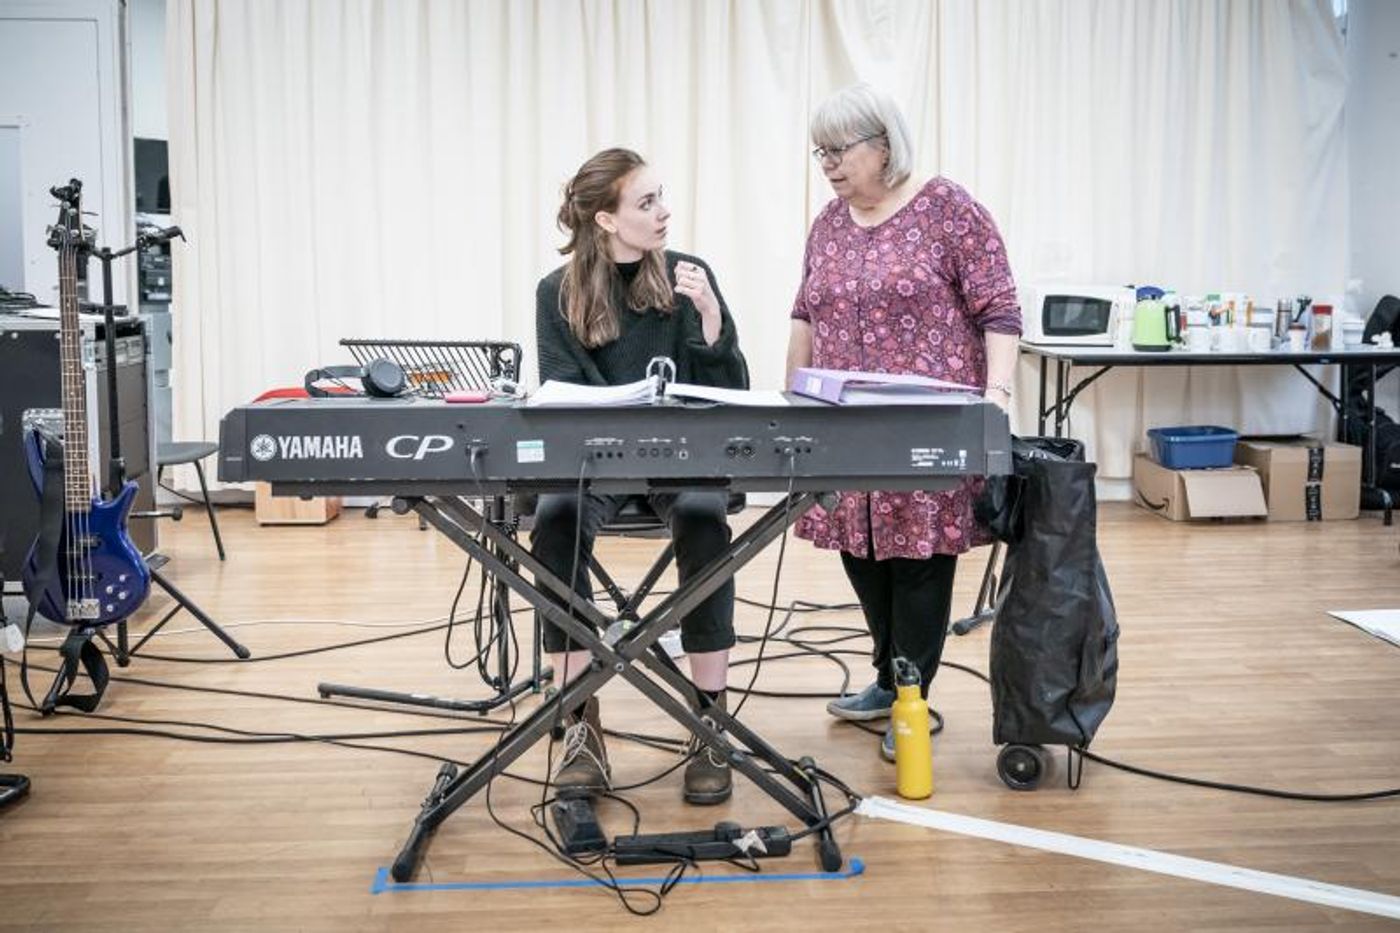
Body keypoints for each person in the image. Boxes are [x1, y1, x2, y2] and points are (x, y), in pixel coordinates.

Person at [785, 84, 1022, 761]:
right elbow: (805, 309)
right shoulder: (829, 221)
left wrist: (995, 394)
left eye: (838, 149)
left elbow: (1000, 310)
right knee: (859, 543)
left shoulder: (947, 208)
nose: (827, 164)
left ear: (883, 145)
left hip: (928, 422)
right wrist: (789, 393)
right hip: (843, 421)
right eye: (819, 152)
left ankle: (912, 694)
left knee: (920, 555)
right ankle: (888, 675)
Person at [532, 147, 747, 803]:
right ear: (604, 219)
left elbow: (728, 392)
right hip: (597, 464)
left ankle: (709, 716)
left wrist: (712, 327)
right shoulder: (558, 292)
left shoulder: (688, 278)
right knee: (556, 521)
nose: (663, 212)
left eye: (662, 197)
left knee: (705, 518)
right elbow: (567, 399)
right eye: (646, 202)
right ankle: (579, 722)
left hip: (679, 457)